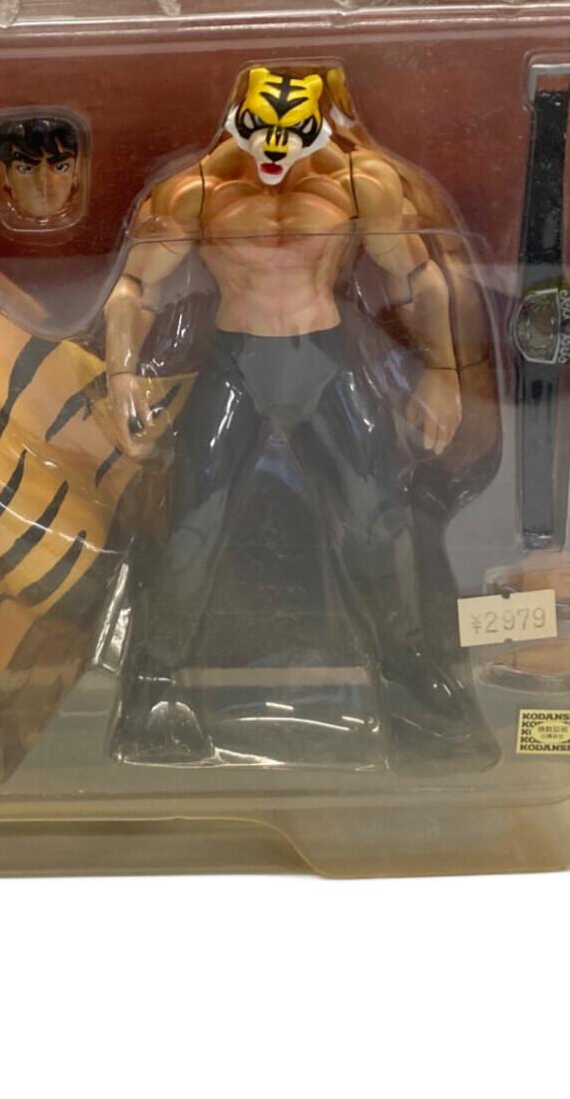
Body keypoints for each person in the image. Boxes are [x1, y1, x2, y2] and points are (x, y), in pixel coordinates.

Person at [104, 64, 496, 767]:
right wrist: (123, 371)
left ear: (318, 125)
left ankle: (406, 665)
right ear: (240, 121)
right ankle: (154, 681)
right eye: (262, 132)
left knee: (376, 516)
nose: (275, 151)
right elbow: (134, 284)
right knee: (191, 528)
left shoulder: (357, 184)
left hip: (324, 362)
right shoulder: (199, 192)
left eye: (292, 133)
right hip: (236, 365)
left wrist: (444, 373)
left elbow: (415, 276)